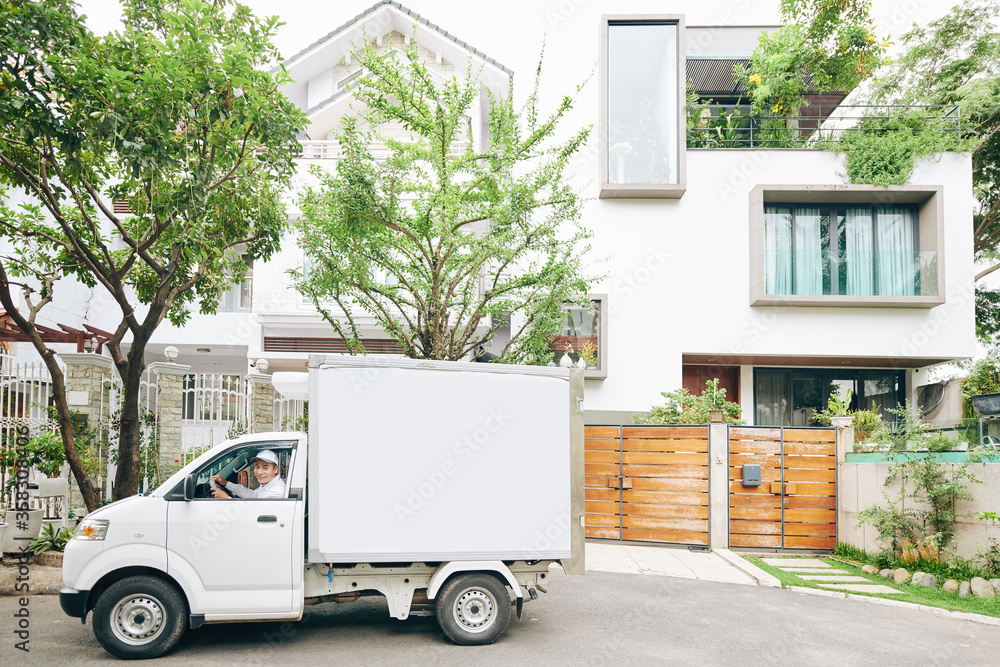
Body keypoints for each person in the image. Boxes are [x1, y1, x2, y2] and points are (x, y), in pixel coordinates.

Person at [211, 449, 286, 499]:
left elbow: (254, 512)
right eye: (257, 467)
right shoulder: (267, 484)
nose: (259, 472)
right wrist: (226, 483)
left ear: (275, 469)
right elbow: (251, 495)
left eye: (265, 468)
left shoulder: (275, 492)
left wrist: (227, 499)